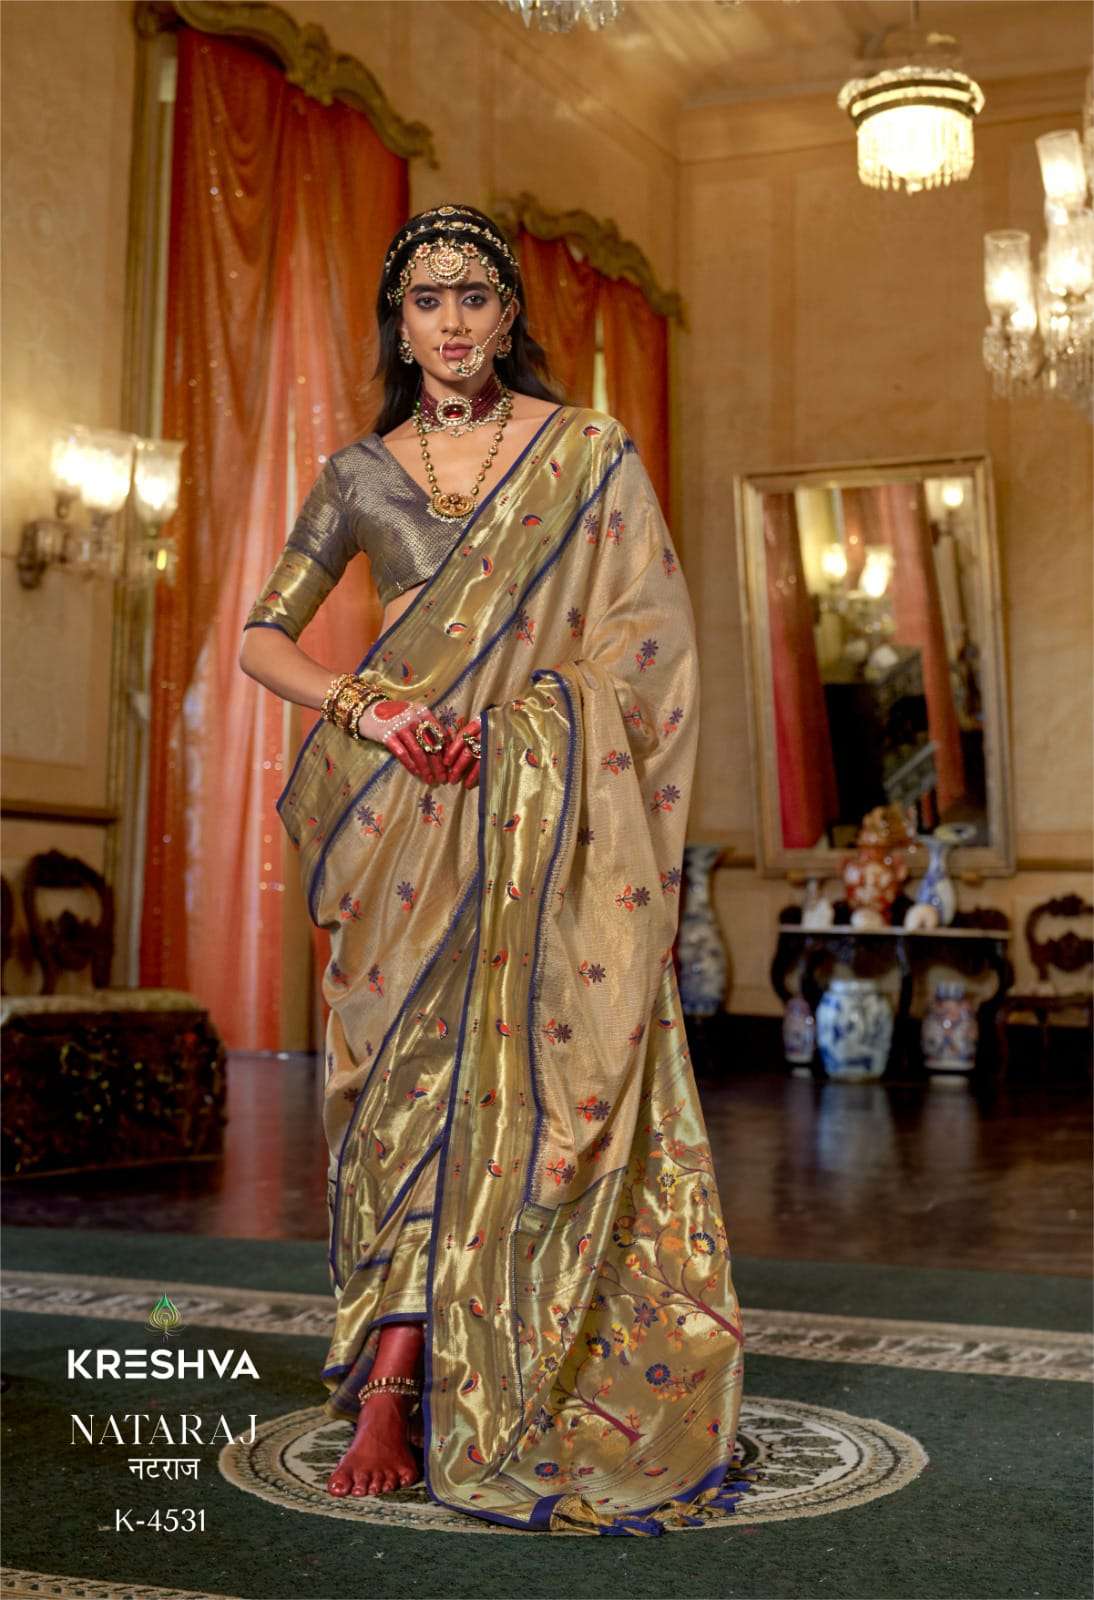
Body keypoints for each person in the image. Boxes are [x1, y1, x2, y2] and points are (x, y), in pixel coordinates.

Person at [239, 204, 747, 1535]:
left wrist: (528, 731)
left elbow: (644, 648)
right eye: (428, 299)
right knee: (401, 1088)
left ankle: (450, 1370)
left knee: (514, 1089)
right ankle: (393, 1375)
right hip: (404, 818)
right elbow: (261, 639)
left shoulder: (584, 453)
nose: (453, 321)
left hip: (540, 814)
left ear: (511, 315)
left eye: (475, 296)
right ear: (398, 325)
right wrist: (374, 713)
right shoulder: (358, 474)